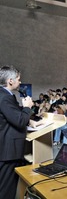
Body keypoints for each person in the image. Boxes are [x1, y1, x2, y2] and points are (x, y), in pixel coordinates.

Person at [0, 65, 34, 199]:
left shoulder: (6, 95)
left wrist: (29, 120)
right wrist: (27, 108)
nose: (20, 82)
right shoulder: (4, 97)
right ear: (10, 81)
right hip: (7, 150)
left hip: (6, 148)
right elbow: (19, 121)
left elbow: (11, 115)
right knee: (6, 189)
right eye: (18, 79)